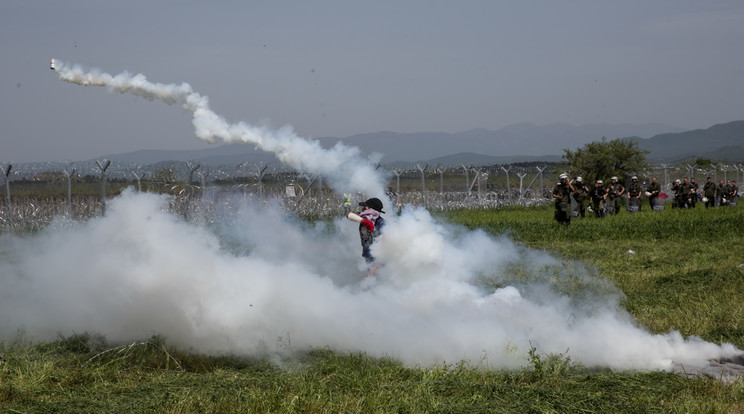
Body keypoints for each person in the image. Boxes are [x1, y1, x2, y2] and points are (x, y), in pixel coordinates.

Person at [346, 197, 386, 265]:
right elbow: (348, 215)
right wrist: (364, 221)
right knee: (370, 272)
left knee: (373, 273)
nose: (362, 209)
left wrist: (374, 230)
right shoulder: (363, 217)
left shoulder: (381, 223)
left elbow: (386, 243)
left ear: (370, 209)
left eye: (365, 207)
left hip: (379, 257)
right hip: (368, 254)